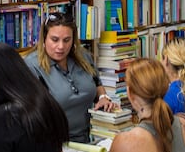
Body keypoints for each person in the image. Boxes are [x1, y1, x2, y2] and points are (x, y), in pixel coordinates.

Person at [25, 11, 117, 142]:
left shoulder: (83, 57)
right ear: (44, 38)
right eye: (55, 40)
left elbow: (97, 83)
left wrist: (103, 98)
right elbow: (34, 116)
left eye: (67, 40)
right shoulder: (31, 66)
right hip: (54, 143)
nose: (61, 47)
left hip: (88, 138)